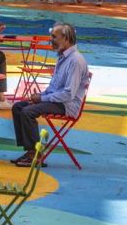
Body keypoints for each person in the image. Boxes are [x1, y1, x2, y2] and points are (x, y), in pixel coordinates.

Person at [10, 23, 89, 167]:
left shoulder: (75, 61)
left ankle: (35, 154)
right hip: (57, 100)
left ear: (65, 38)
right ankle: (30, 151)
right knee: (18, 107)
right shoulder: (63, 57)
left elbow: (68, 94)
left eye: (54, 37)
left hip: (66, 105)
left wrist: (42, 98)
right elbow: (54, 87)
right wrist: (41, 96)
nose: (50, 40)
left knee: (28, 112)